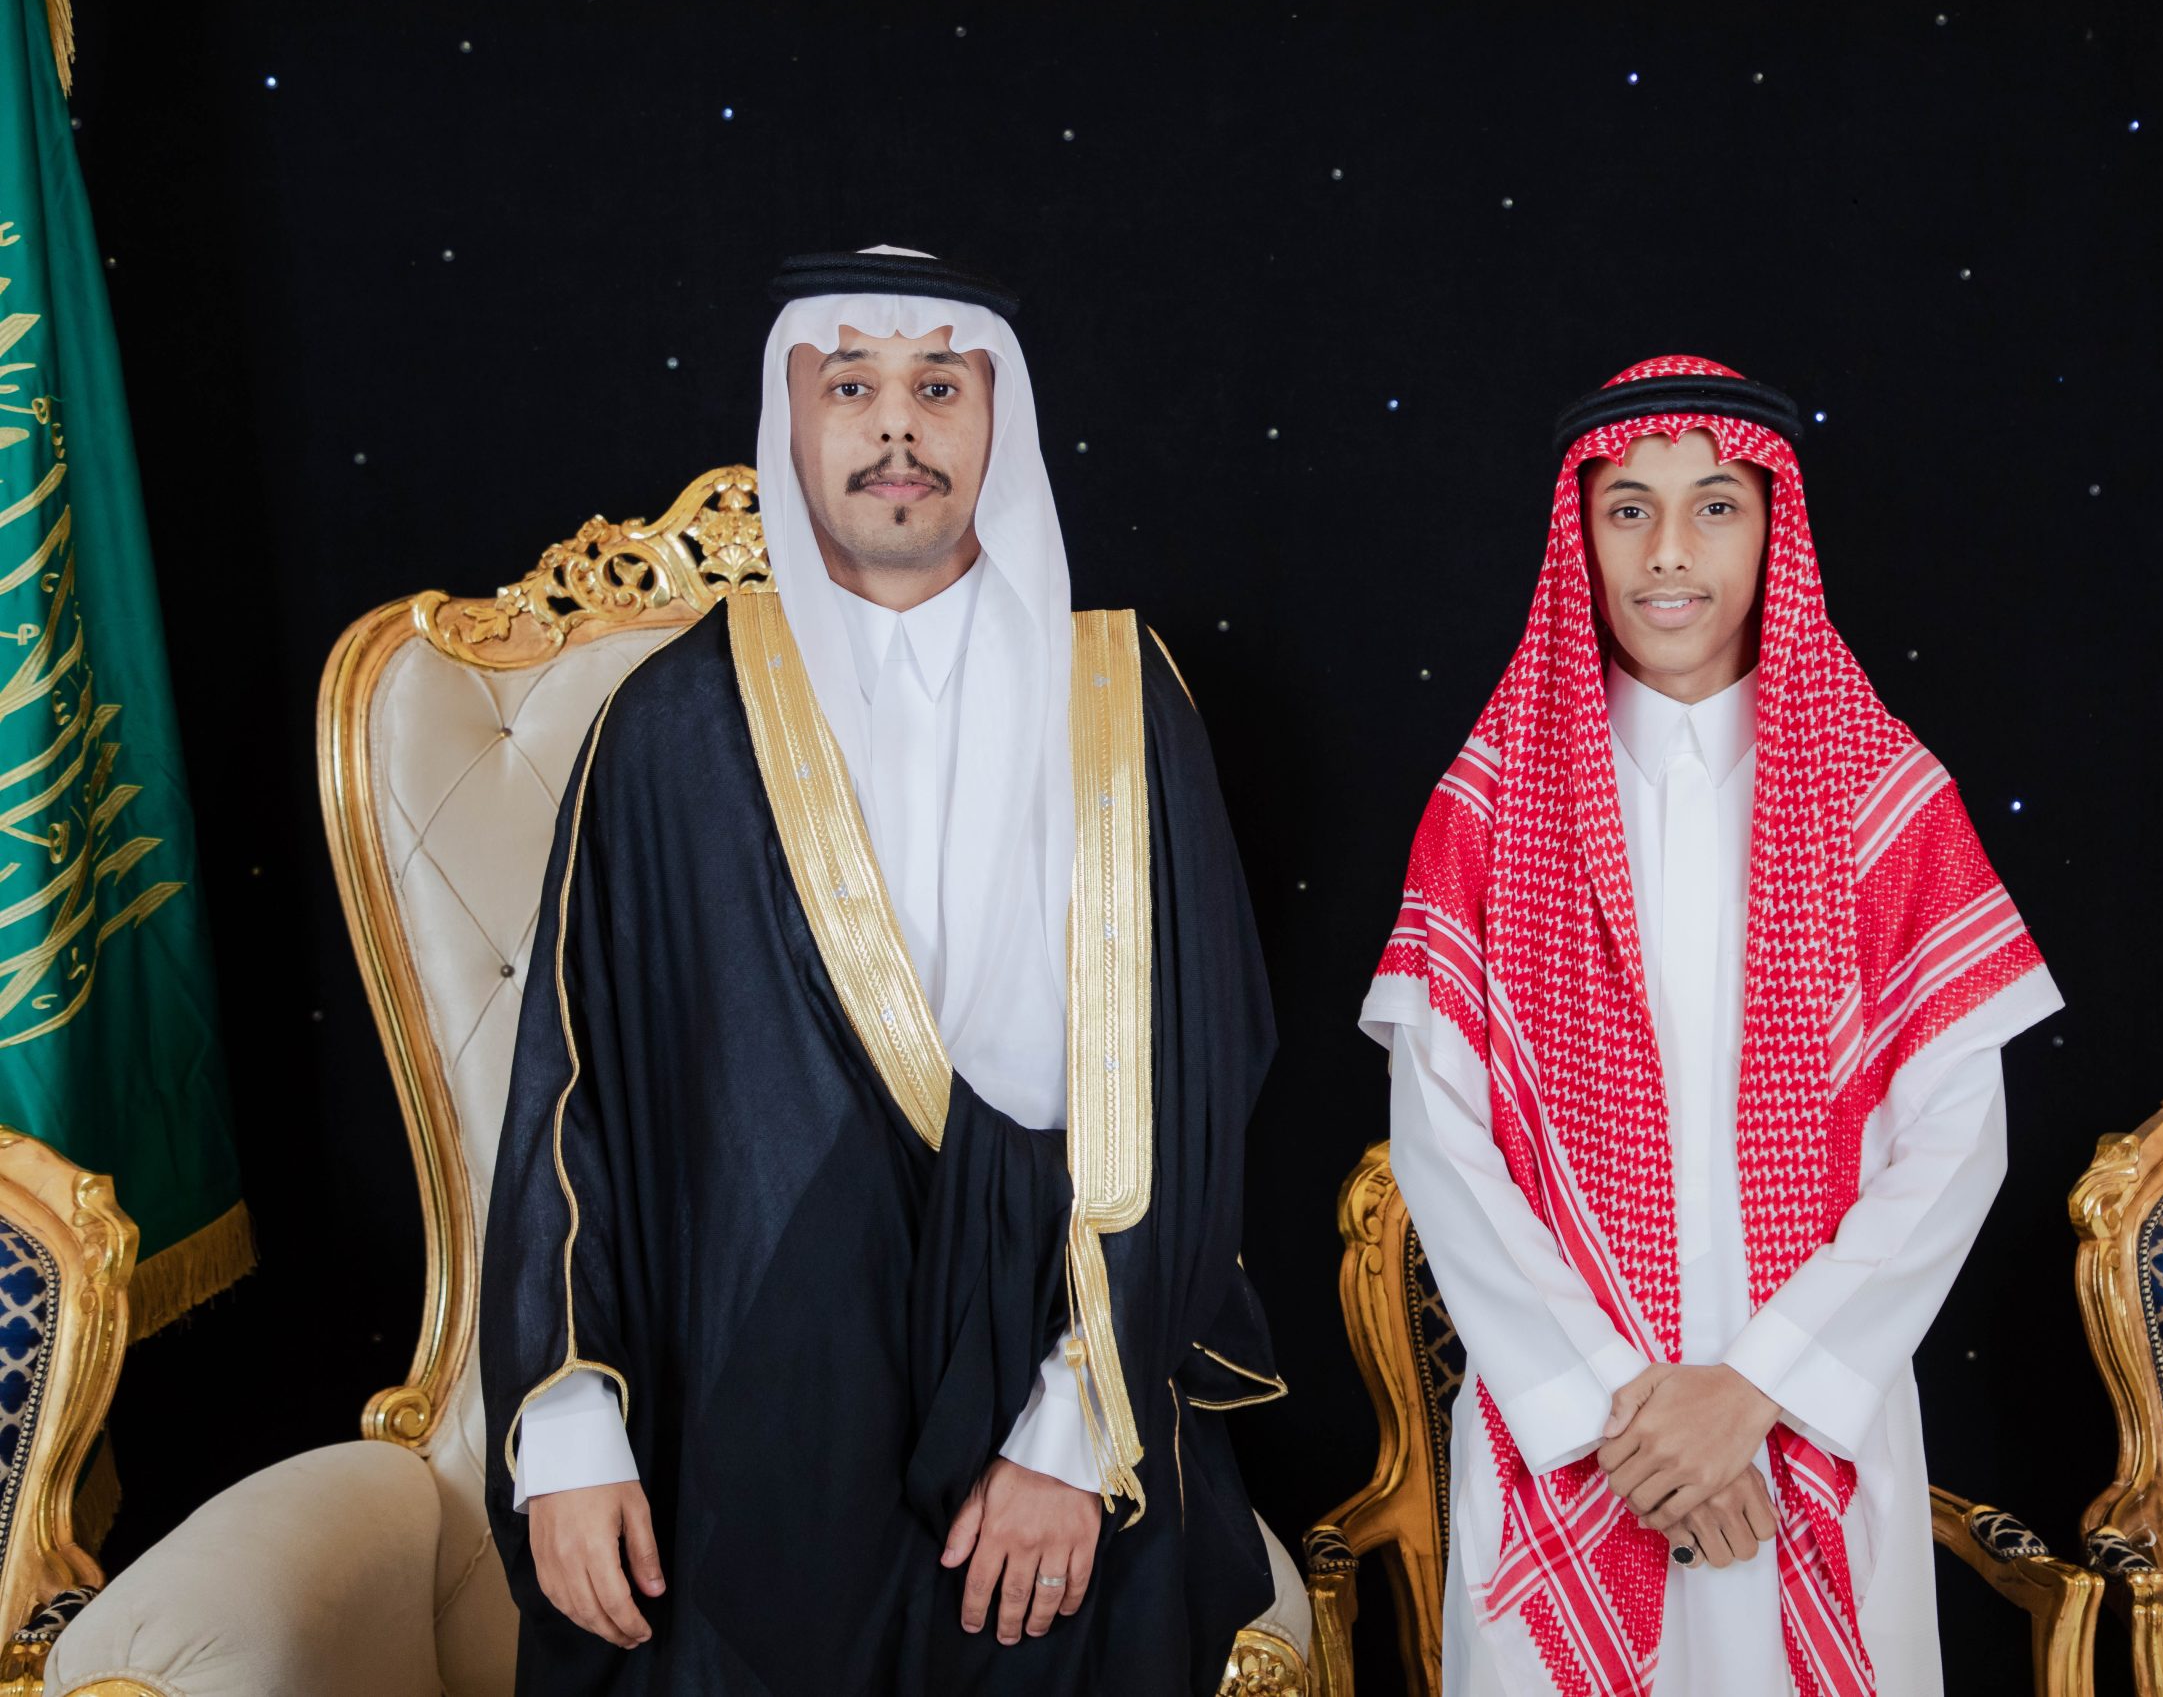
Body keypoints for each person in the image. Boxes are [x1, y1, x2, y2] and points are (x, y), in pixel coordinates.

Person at [480, 246, 1284, 1695]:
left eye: (939, 387)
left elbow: (1198, 1083)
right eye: (851, 387)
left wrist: (1074, 1431)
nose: (897, 427)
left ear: (998, 421)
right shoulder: (671, 725)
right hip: (752, 1414)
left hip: (1056, 1398)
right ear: (790, 423)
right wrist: (572, 1427)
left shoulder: (1122, 703)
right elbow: (572, 1089)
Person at [1361, 356, 2062, 1697]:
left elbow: (1955, 1144)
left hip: (1810, 1431)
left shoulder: (1885, 797)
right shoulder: (1491, 805)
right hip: (1568, 1444)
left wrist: (1756, 1390)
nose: (1668, 552)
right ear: (1579, 538)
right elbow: (1442, 1147)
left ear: (1773, 530)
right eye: (1628, 509)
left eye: (1715, 507)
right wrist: (1621, 1418)